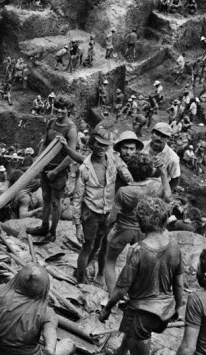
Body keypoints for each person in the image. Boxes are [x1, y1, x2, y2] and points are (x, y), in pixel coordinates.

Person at [99, 197, 184, 355]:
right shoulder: (174, 246)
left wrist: (108, 307)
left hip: (143, 312)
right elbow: (179, 283)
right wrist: (177, 307)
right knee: (136, 336)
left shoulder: (138, 251)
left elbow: (120, 288)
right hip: (164, 310)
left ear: (141, 222)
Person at [70, 127, 133, 284]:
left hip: (108, 212)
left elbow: (126, 174)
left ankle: (92, 273)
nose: (102, 148)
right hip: (90, 213)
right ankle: (79, 280)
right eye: (99, 144)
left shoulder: (113, 158)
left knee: (101, 244)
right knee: (87, 246)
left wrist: (131, 179)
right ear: (92, 144)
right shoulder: (84, 168)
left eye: (105, 145)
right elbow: (77, 198)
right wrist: (77, 225)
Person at [104, 153, 172, 294]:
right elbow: (169, 197)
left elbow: (113, 217)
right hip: (144, 230)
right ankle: (139, 292)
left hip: (124, 229)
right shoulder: (156, 187)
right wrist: (163, 174)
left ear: (130, 170)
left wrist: (108, 229)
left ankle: (113, 296)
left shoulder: (123, 191)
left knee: (110, 261)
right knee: (143, 264)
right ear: (149, 171)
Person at [27, 95, 85, 243]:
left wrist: (56, 171)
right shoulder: (51, 123)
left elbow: (70, 155)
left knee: (55, 201)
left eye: (63, 108)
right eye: (57, 107)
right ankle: (44, 226)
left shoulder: (71, 129)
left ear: (68, 110)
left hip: (58, 171)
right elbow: (44, 144)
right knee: (45, 197)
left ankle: (53, 231)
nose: (59, 110)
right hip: (45, 167)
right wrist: (38, 162)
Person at [143, 122, 181, 190]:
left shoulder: (172, 158)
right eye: (157, 134)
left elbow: (175, 178)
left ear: (168, 139)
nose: (159, 138)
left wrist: (167, 195)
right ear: (152, 133)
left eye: (163, 136)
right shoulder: (142, 146)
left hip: (156, 189)